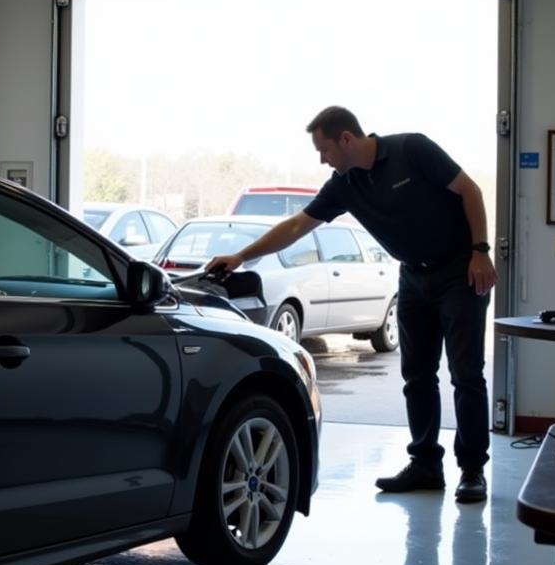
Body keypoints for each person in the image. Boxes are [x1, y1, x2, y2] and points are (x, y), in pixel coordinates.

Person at [205, 105, 497, 503]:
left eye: (323, 149)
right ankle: (426, 464)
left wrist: (480, 250)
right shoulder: (343, 184)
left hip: (460, 272)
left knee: (466, 374)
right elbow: (295, 226)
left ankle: (472, 470)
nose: (322, 159)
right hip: (413, 277)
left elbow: (470, 191)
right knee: (417, 375)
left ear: (346, 139)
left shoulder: (412, 150)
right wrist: (240, 257)